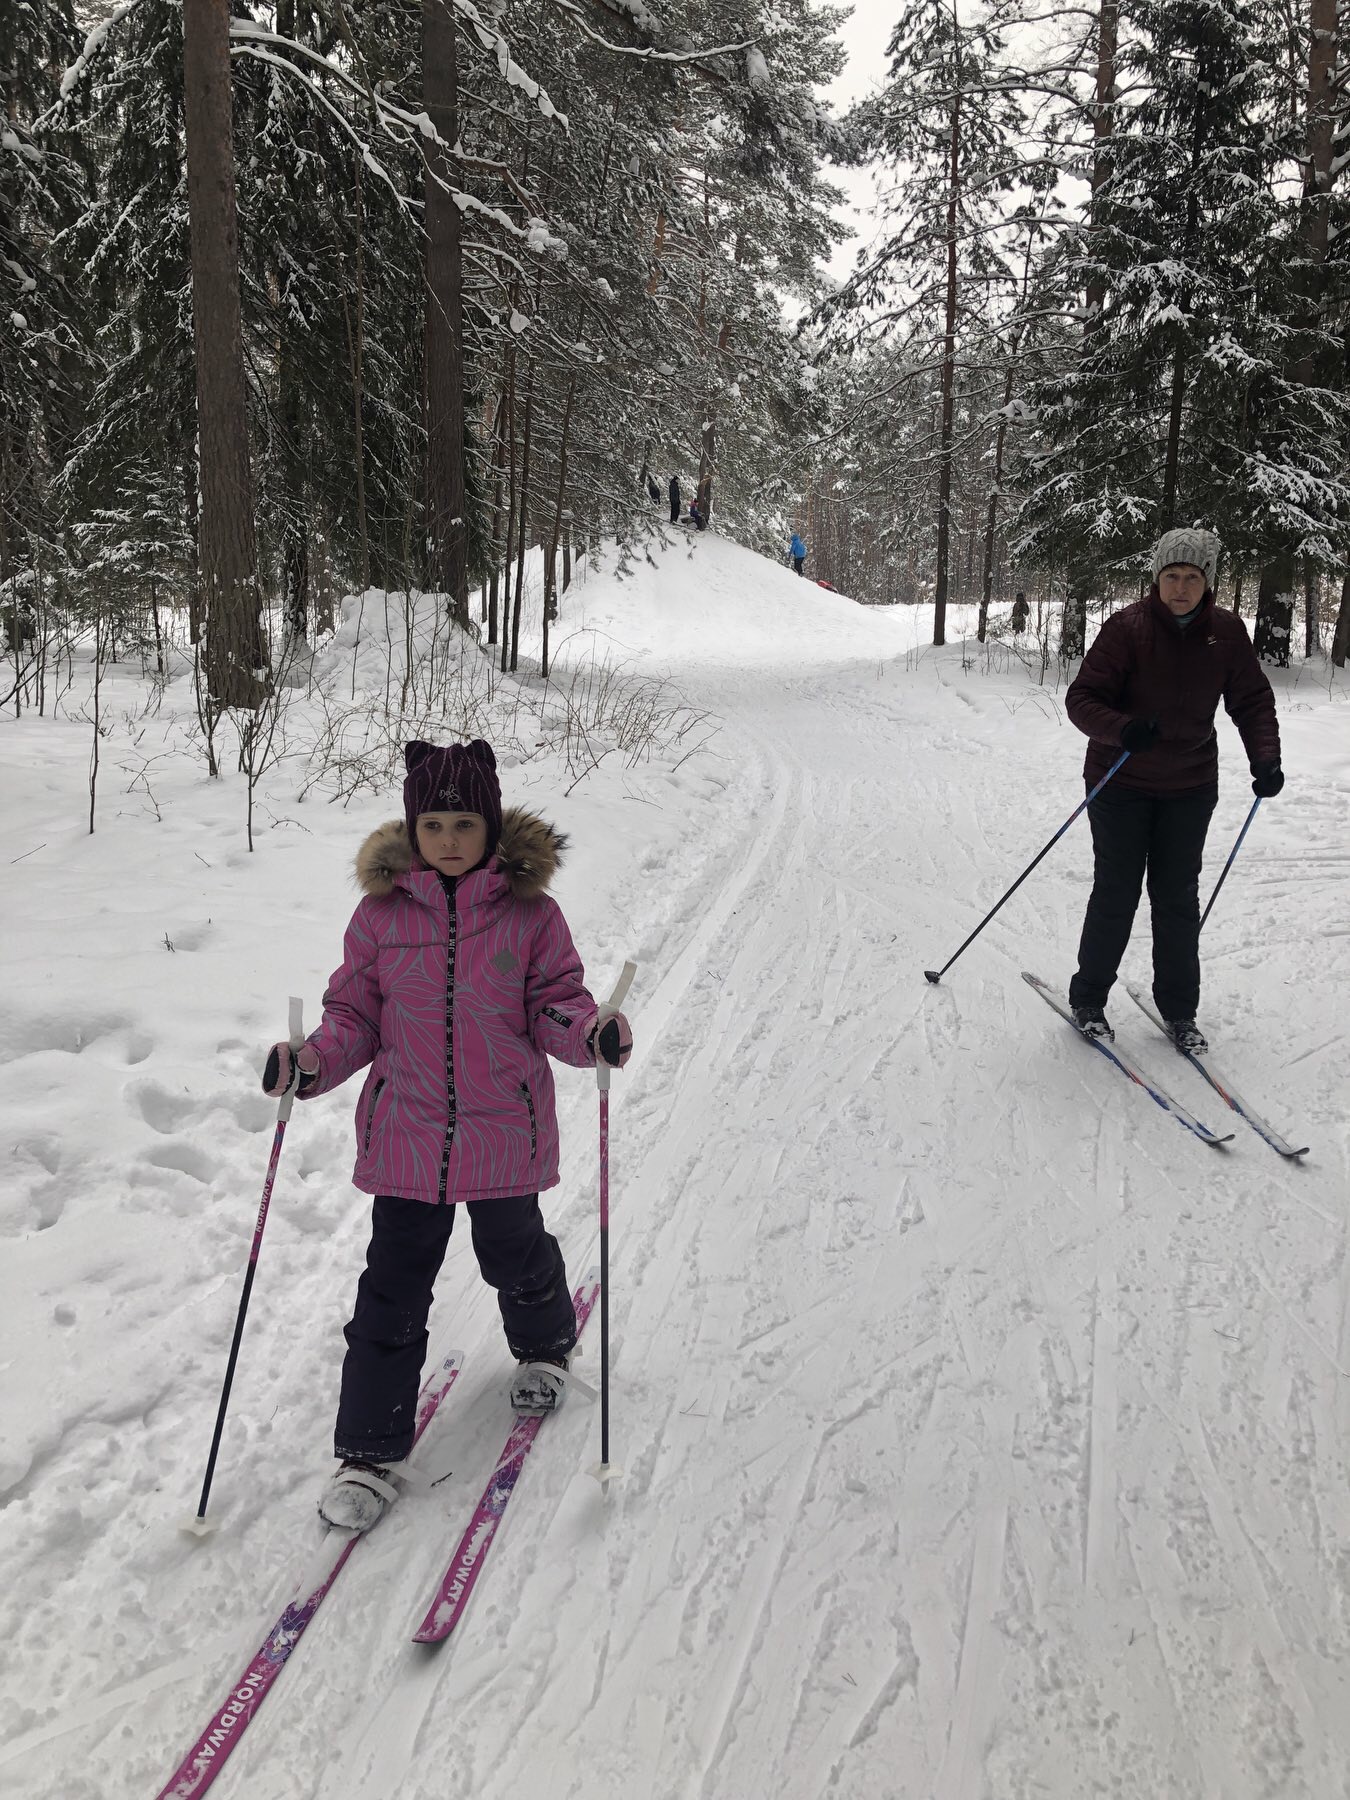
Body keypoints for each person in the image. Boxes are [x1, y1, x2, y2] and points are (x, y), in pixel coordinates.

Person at [261, 739, 634, 1533]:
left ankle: (543, 1345)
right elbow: (354, 1014)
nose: (451, 839)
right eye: (434, 823)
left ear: (492, 826)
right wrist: (312, 1063)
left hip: (504, 1133)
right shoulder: (381, 914)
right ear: (412, 827)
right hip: (406, 1136)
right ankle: (367, 1449)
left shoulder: (532, 914)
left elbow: (554, 1001)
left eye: (467, 822)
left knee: (515, 1253)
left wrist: (588, 1033)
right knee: (390, 1290)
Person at [1064, 527, 1282, 1052]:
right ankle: (1089, 999)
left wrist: (1266, 759)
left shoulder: (1226, 633)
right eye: (1170, 576)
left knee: (1177, 897)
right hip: (1121, 781)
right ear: (1156, 578)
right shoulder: (1127, 628)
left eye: (1191, 577)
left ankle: (1180, 1011)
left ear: (1207, 582)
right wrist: (1122, 728)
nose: (1179, 587)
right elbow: (1083, 698)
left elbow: (1251, 701)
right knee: (1117, 890)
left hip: (1189, 785)